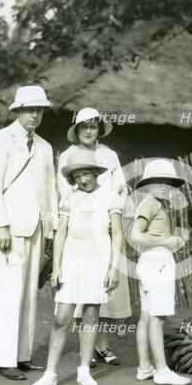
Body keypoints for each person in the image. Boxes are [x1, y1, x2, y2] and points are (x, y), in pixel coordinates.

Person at [28, 149, 123, 385]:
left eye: (87, 174)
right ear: (73, 178)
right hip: (72, 259)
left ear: (95, 173)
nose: (83, 179)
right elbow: (61, 234)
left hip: (97, 260)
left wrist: (114, 268)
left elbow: (118, 235)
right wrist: (57, 266)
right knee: (62, 318)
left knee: (91, 317)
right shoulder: (69, 197)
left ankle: (84, 371)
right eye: (78, 175)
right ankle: (50, 375)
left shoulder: (111, 196)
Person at [0, 85, 58, 380]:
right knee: (7, 291)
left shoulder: (44, 147)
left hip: (36, 227)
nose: (34, 115)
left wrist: (50, 228)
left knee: (29, 294)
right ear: (17, 111)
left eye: (39, 110)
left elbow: (50, 190)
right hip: (9, 228)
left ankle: (22, 355)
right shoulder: (1, 139)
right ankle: (4, 359)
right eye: (29, 109)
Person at [57, 107, 131, 367]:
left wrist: (114, 214)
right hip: (80, 227)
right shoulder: (67, 156)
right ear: (76, 130)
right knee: (78, 288)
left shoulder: (109, 156)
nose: (88, 131)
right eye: (83, 126)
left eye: (93, 126)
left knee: (106, 287)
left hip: (106, 223)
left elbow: (121, 186)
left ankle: (102, 345)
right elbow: (64, 191)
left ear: (99, 128)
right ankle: (83, 350)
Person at [130, 159, 191, 385]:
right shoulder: (150, 203)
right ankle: (162, 370)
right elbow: (136, 235)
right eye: (159, 181)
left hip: (153, 261)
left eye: (168, 182)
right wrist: (168, 240)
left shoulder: (157, 204)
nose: (165, 185)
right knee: (157, 316)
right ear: (147, 184)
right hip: (156, 263)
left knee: (147, 315)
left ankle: (144, 367)